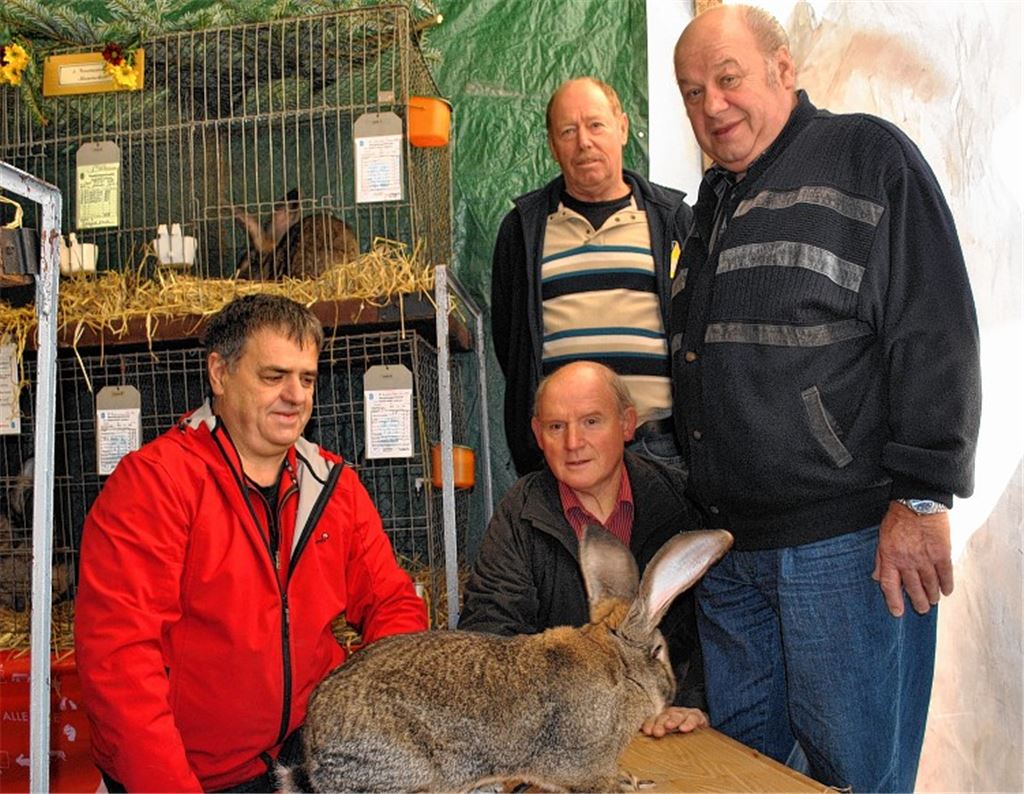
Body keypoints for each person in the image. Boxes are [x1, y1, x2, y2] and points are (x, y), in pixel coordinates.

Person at [670, 5, 981, 791]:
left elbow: (934, 327)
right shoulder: (712, 203)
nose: (712, 105)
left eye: (728, 78)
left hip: (841, 552)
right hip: (734, 558)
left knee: (855, 777)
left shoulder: (868, 157)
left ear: (784, 68)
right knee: (749, 776)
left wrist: (920, 498)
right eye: (692, 91)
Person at [74, 294, 428, 792]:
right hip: (198, 775)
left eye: (307, 379)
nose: (295, 395)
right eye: (273, 376)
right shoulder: (156, 483)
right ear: (219, 373)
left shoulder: (332, 484)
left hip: (309, 758)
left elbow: (391, 601)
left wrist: (372, 711)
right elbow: (120, 663)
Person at [460, 361, 709, 736]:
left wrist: (690, 703)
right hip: (559, 728)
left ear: (627, 424)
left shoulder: (678, 502)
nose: (573, 443)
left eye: (592, 421)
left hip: (665, 722)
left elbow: (714, 624)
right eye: (556, 427)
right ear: (537, 434)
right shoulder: (521, 512)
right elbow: (490, 629)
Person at [491, 76, 693, 477]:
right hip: (567, 454)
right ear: (552, 145)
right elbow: (511, 342)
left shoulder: (672, 220)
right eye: (568, 130)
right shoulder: (524, 230)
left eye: (596, 125)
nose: (584, 141)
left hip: (661, 449)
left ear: (621, 126)